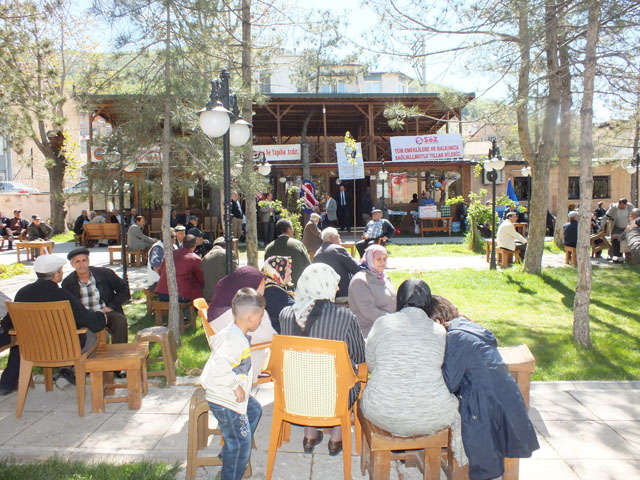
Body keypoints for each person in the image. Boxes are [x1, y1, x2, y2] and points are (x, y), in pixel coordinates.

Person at [360, 279, 467, 466]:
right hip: (433, 415)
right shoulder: (439, 331)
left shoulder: (381, 324)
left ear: (399, 300)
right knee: (459, 405)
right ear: (428, 303)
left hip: (382, 411)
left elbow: (372, 365)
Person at [279, 263, 365, 456]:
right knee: (347, 378)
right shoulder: (345, 316)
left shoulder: (285, 314)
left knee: (306, 373)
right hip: (333, 398)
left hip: (293, 394)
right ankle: (336, 439)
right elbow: (360, 356)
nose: (337, 288)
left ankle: (309, 435)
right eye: (334, 284)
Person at [442, 311, 539, 480]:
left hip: (485, 409)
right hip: (507, 403)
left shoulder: (455, 338)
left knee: (482, 460)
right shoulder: (474, 333)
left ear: (439, 321)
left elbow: (449, 383)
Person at [0, 255, 107, 391]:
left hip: (33, 350)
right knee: (95, 334)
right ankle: (71, 371)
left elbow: (7, 323)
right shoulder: (62, 295)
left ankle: (8, 383)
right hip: (64, 350)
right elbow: (91, 322)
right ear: (55, 275)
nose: (62, 273)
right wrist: (101, 316)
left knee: (20, 339)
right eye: (61, 271)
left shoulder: (22, 293)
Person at [199, 288, 264, 480]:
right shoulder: (235, 341)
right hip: (225, 398)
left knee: (254, 410)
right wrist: (236, 387)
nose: (261, 320)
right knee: (241, 445)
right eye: (260, 316)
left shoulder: (234, 331)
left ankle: (229, 448)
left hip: (228, 393)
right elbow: (219, 367)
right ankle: (231, 463)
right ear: (251, 318)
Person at [207, 266, 275, 383]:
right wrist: (257, 302)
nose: (264, 288)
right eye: (261, 285)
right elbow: (270, 336)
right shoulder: (238, 316)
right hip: (247, 367)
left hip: (242, 358)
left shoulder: (221, 308)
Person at [62, 247, 129, 345]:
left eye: (84, 260)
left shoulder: (104, 273)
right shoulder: (68, 282)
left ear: (88, 261)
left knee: (120, 320)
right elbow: (68, 305)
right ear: (72, 264)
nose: (81, 265)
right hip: (84, 316)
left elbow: (123, 289)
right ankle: (86, 354)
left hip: (104, 312)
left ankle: (118, 353)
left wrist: (111, 306)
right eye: (77, 262)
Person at [348, 244, 396, 337]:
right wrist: (392, 319)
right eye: (378, 259)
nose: (382, 262)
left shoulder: (383, 276)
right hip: (369, 330)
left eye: (385, 259)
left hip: (387, 325)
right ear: (370, 259)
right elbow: (368, 311)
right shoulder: (360, 280)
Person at [312, 227, 359, 299]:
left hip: (323, 296)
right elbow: (356, 269)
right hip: (342, 294)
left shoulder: (316, 254)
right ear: (331, 238)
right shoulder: (338, 249)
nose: (340, 240)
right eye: (338, 237)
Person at [155, 234, 204, 303]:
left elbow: (160, 271)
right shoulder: (194, 258)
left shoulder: (171, 254)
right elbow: (201, 279)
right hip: (180, 295)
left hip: (162, 292)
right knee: (200, 286)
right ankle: (189, 311)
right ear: (195, 246)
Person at [264, 219, 310, 287]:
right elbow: (308, 265)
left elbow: (266, 269)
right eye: (292, 229)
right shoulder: (298, 244)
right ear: (289, 229)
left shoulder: (268, 248)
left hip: (275, 287)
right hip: (298, 285)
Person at [261, 256, 295, 333]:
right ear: (275, 272)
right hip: (278, 334)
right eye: (286, 269)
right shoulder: (272, 291)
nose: (290, 271)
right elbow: (293, 310)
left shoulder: (284, 285)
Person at [202, 237, 238, 301]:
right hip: (223, 295)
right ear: (226, 245)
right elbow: (236, 274)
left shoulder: (204, 258)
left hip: (207, 296)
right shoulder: (229, 253)